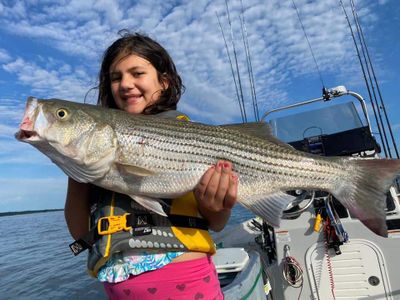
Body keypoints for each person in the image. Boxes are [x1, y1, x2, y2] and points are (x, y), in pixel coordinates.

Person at [64, 30, 238, 300]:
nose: (125, 84)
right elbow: (80, 232)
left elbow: (216, 223)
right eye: (116, 77)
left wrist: (217, 205)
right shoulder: (96, 147)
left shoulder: (191, 136)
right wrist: (73, 166)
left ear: (164, 82)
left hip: (187, 280)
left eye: (137, 73)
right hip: (117, 285)